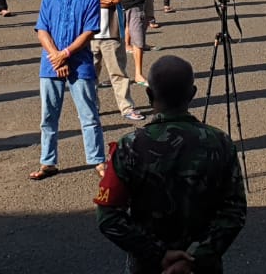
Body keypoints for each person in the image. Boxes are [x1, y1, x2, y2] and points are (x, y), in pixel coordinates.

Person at [95, 55, 247, 274]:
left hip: (148, 266)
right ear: (192, 94)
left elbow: (108, 216)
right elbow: (234, 211)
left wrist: (157, 253)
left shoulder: (130, 146)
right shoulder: (220, 143)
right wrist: (195, 256)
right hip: (201, 267)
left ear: (149, 95)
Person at [30, 0, 106, 180]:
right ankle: (48, 161)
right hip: (50, 64)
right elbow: (42, 29)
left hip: (80, 63)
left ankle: (98, 160)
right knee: (48, 116)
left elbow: (89, 31)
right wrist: (56, 56)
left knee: (89, 115)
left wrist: (65, 54)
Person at [81, 0, 143, 121]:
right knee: (90, 75)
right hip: (89, 34)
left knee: (118, 73)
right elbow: (83, 1)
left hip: (112, 32)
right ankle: (91, 108)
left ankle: (126, 108)